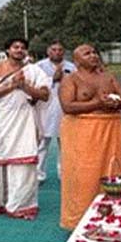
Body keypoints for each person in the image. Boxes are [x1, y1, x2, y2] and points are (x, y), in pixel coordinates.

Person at [59, 44, 121, 230]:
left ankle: (110, 216)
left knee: (111, 172)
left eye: (94, 52)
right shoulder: (71, 79)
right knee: (83, 176)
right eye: (87, 53)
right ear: (76, 61)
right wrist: (97, 103)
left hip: (110, 130)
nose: (93, 55)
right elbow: (67, 106)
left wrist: (115, 103)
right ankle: (79, 221)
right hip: (81, 134)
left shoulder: (108, 77)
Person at [0, 38, 50, 220]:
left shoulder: (34, 71)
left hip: (25, 119)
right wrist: (12, 86)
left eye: (23, 48)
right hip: (2, 121)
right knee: (1, 160)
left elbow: (44, 95)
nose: (19, 50)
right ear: (7, 49)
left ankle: (23, 205)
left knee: (25, 161)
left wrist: (25, 86)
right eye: (15, 47)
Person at [33, 40, 75, 182]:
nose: (57, 52)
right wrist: (53, 79)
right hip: (45, 108)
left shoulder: (71, 67)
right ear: (48, 51)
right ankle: (38, 175)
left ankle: (63, 174)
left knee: (64, 143)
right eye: (54, 49)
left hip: (64, 109)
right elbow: (35, 86)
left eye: (60, 50)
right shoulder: (39, 67)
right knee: (42, 143)